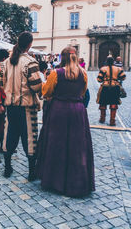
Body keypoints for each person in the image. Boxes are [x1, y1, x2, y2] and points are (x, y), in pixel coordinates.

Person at [36, 46, 95, 197]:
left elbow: (46, 91)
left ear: (62, 58)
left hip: (59, 110)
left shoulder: (56, 73)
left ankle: (54, 180)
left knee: (57, 144)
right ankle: (76, 181)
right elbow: (82, 92)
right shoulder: (83, 73)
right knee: (77, 146)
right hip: (77, 111)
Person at [3, 32, 42, 179]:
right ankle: (32, 172)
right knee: (30, 138)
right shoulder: (30, 62)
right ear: (30, 44)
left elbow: (2, 84)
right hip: (26, 107)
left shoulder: (6, 62)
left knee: (10, 136)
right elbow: (37, 86)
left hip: (10, 106)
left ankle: (7, 168)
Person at [97, 55, 126, 126]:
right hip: (115, 86)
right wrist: (116, 78)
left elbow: (99, 79)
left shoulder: (103, 69)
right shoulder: (118, 69)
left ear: (106, 61)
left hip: (105, 87)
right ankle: (112, 121)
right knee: (114, 102)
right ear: (113, 61)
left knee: (103, 102)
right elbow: (123, 77)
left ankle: (102, 118)